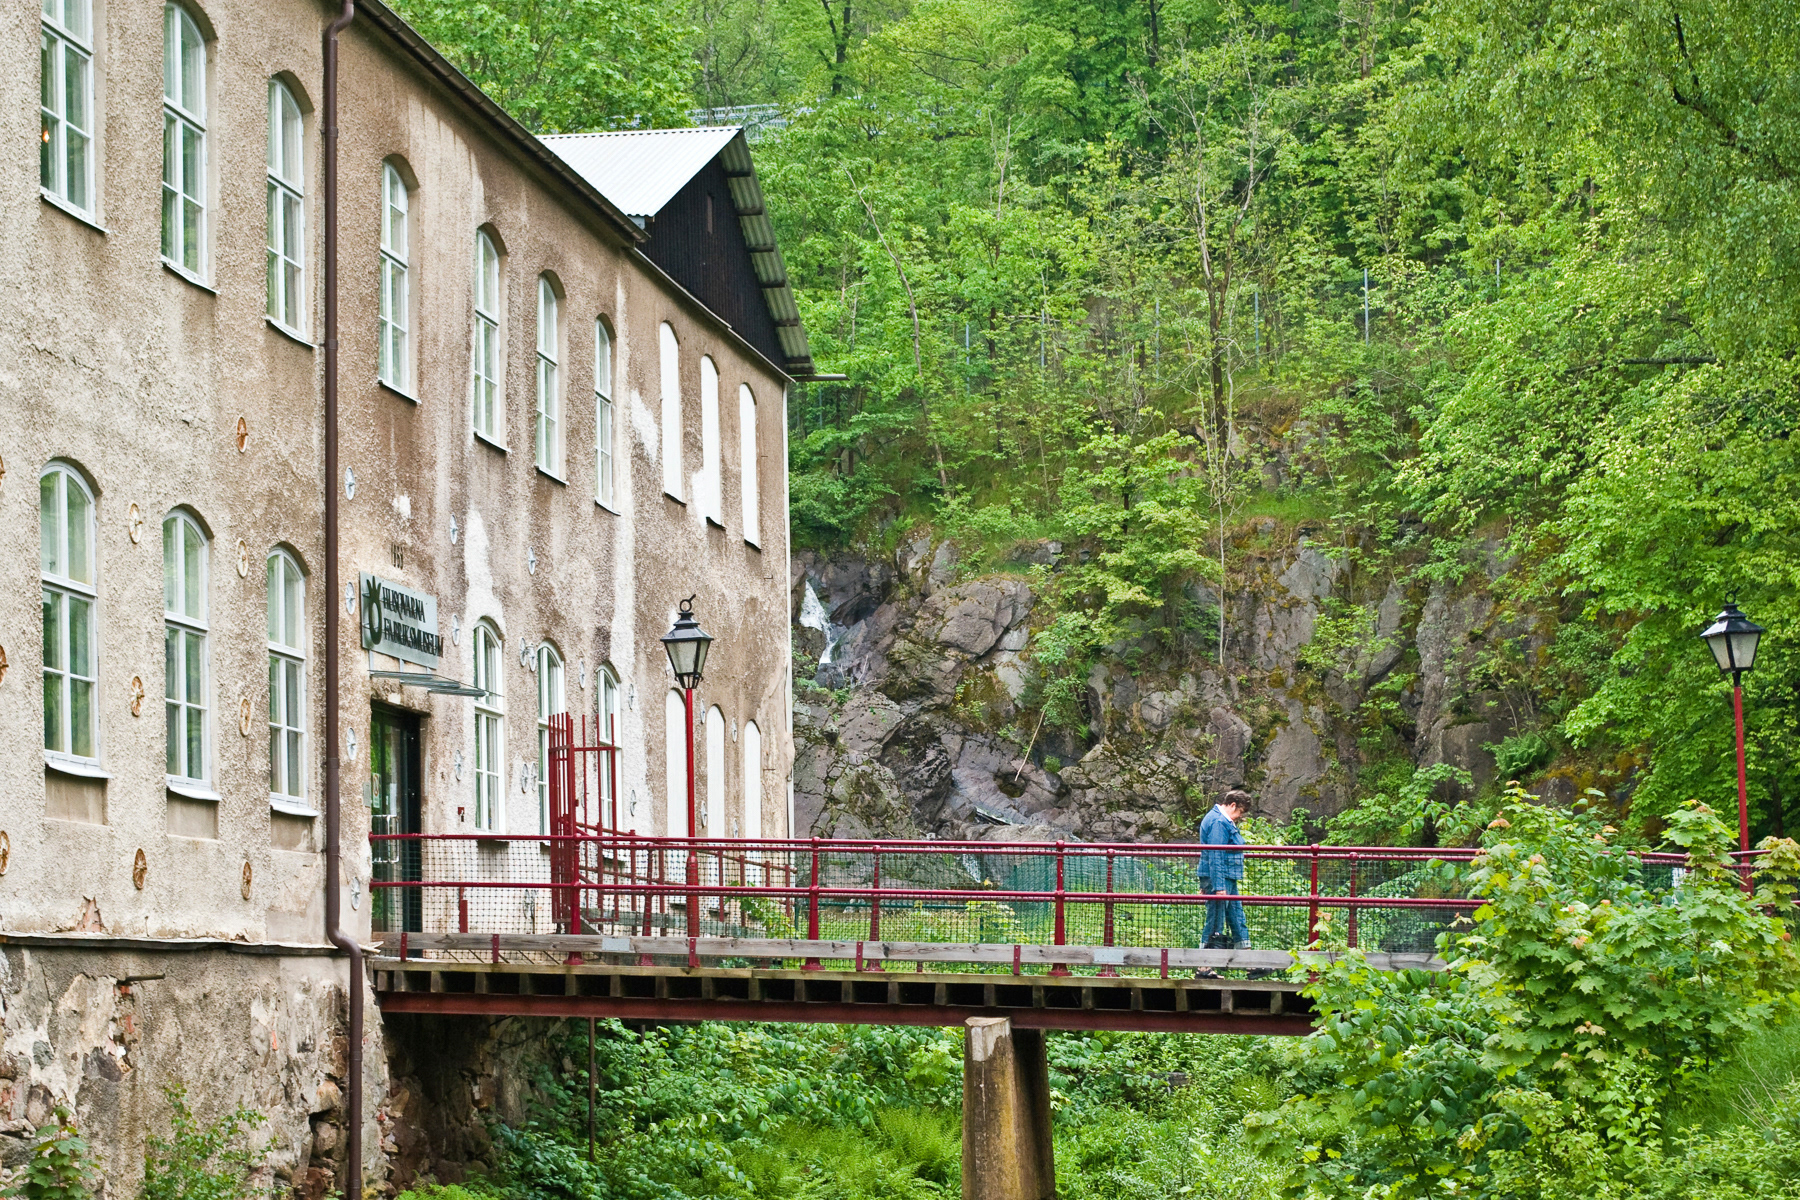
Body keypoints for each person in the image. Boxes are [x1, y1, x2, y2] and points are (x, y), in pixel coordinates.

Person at [1196, 791, 1252, 978]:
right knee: (1216, 921)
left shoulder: (1220, 820)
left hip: (1226, 878)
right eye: (1241, 812)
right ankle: (1204, 967)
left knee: (1236, 917)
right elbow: (1216, 855)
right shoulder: (1220, 822)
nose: (1240, 817)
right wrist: (1218, 886)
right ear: (1233, 805)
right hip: (1221, 879)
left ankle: (1250, 963)